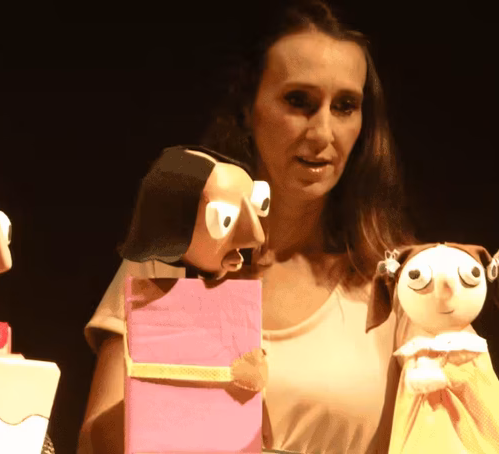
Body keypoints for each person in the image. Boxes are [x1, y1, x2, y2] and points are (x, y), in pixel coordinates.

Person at [79, 1, 417, 452]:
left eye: (345, 106)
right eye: (299, 101)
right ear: (247, 108)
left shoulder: (399, 282)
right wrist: (181, 391)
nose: (323, 133)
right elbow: (94, 444)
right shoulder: (172, 253)